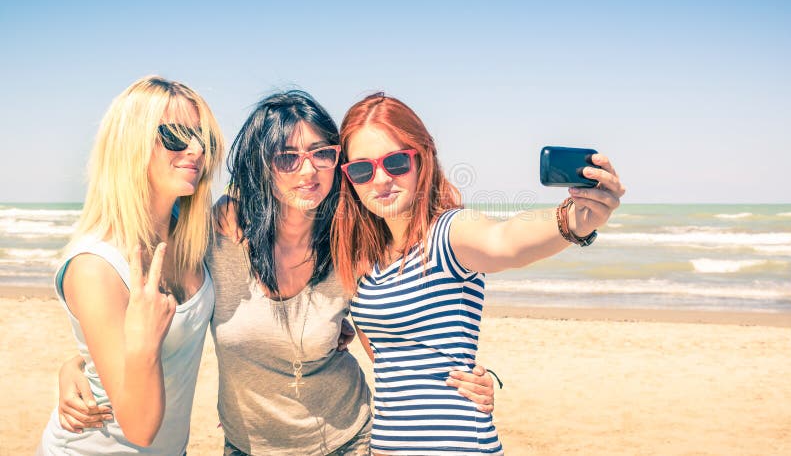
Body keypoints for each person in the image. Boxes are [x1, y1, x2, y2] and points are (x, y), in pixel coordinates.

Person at [56, 90, 496, 455]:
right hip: (247, 446)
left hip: (350, 440)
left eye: (322, 154)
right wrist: (78, 362)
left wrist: (461, 381)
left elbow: (395, 341)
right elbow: (131, 308)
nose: (308, 170)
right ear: (260, 168)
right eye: (287, 158)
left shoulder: (352, 242)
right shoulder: (213, 235)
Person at [332, 92, 626, 455]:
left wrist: (576, 220)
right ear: (347, 176)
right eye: (362, 169)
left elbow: (505, 240)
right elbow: (393, 359)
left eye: (395, 162)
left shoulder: (448, 233)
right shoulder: (367, 262)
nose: (379, 180)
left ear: (422, 159)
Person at [38, 76, 224, 454]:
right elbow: (139, 429)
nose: (195, 149)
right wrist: (143, 340)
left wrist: (75, 364)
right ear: (130, 144)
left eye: (203, 138)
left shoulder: (193, 238)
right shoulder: (95, 266)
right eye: (175, 135)